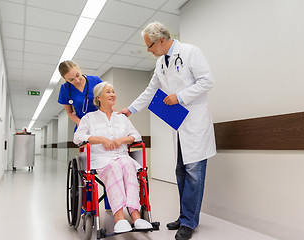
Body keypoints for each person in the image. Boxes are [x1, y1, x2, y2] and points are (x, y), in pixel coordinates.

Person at [119, 22, 216, 240]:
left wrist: (179, 97)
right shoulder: (161, 63)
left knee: (193, 175)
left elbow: (207, 81)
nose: (149, 50)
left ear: (161, 40)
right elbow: (149, 91)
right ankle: (184, 217)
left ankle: (189, 222)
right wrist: (131, 109)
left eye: (150, 45)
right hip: (180, 126)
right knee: (181, 171)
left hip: (195, 124)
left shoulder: (190, 52)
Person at [73, 82, 153, 233]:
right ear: (99, 98)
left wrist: (121, 140)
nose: (112, 94)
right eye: (108, 92)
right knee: (114, 167)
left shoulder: (121, 118)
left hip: (122, 155)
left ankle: (136, 215)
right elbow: (78, 138)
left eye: (113, 92)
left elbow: (136, 136)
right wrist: (101, 139)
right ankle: (119, 217)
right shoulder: (89, 118)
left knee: (129, 165)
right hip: (102, 159)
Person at [58, 60, 102, 131]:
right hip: (83, 126)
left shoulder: (95, 80)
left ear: (78, 68)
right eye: (71, 80)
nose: (77, 81)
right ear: (65, 79)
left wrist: (115, 117)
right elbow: (70, 112)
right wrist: (80, 122)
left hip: (101, 123)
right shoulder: (65, 89)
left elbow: (108, 103)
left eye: (77, 75)